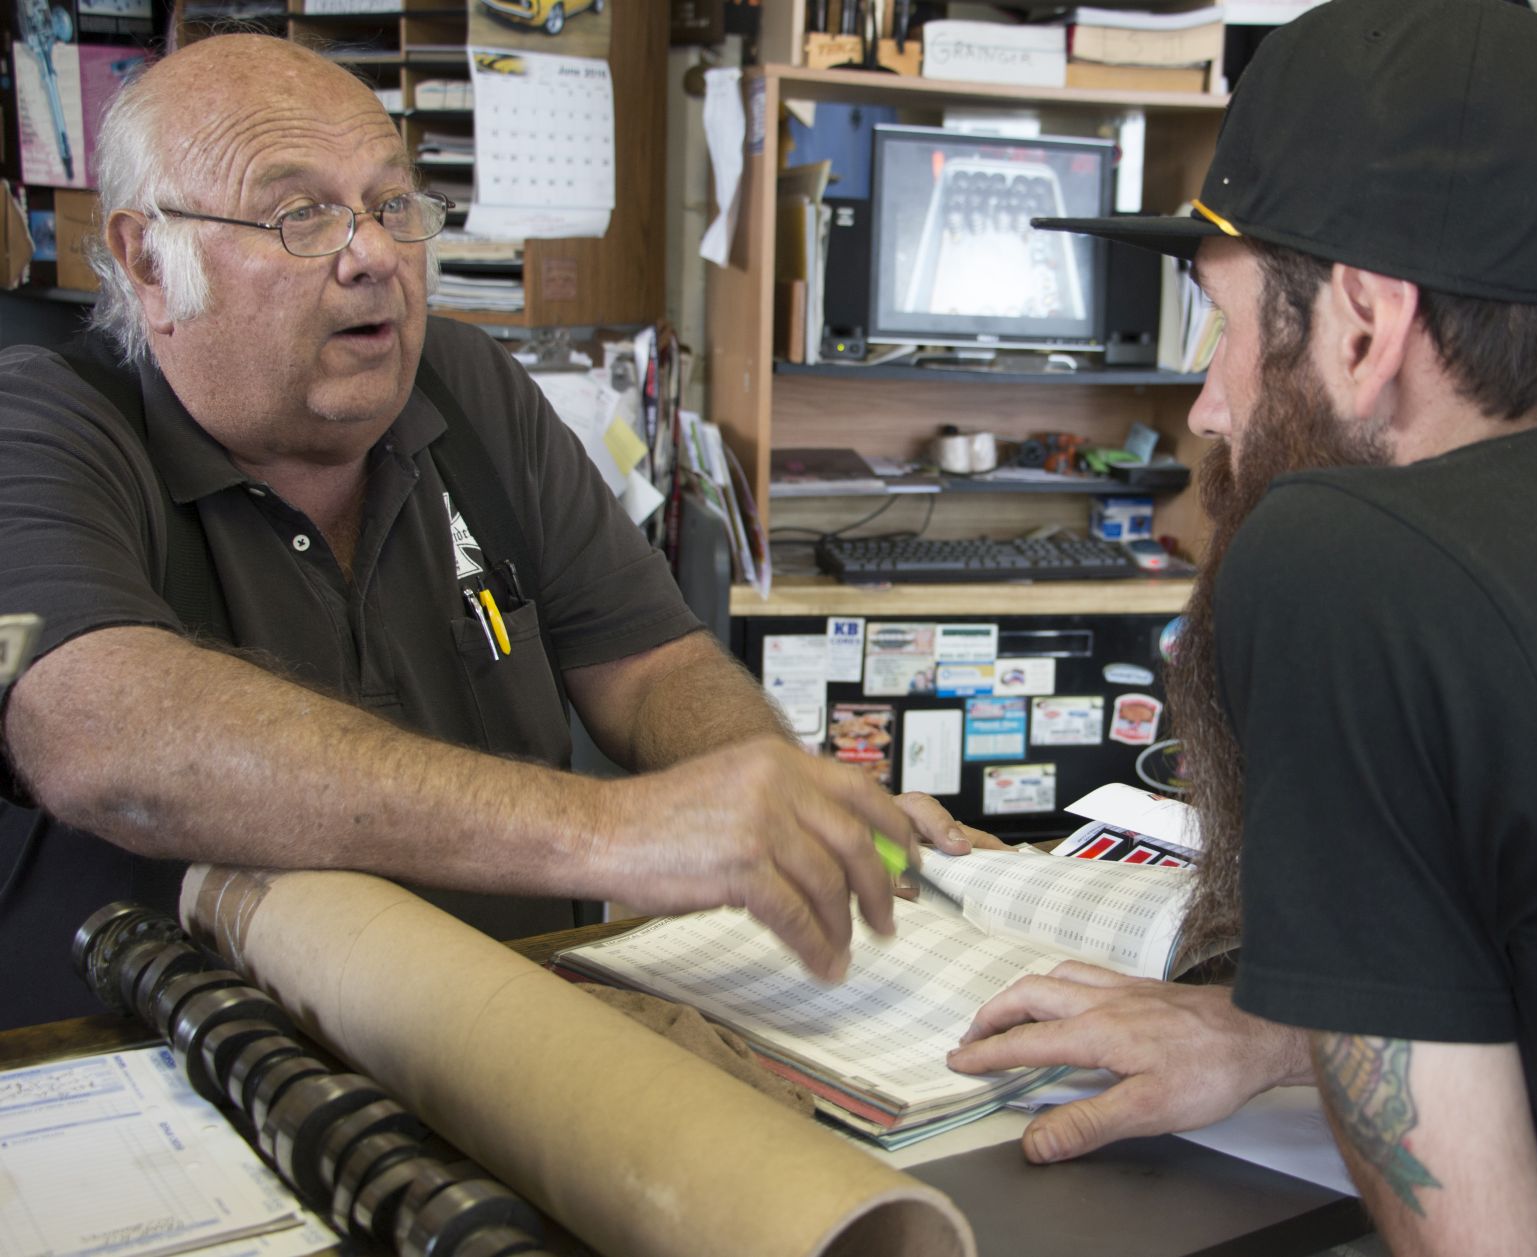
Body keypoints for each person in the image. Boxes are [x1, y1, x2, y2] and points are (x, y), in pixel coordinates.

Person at [945, 2, 1537, 1253]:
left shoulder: (1348, 559)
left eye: (1224, 328)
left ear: (1366, 325)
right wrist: (1297, 1023)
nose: (1211, 411)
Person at [0, 34, 994, 1030]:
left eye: (393, 205)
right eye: (301, 214)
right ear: (148, 260)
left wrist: (784, 808)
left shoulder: (469, 393)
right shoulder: (40, 427)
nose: (376, 255)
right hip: (185, 1085)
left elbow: (651, 670)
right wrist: (608, 831)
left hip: (508, 1045)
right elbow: (98, 731)